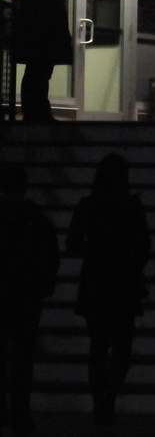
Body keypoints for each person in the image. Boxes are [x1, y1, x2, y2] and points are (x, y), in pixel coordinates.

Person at [66, 153, 151, 426]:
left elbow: (72, 244)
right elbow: (144, 247)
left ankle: (98, 399)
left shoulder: (88, 205)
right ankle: (110, 397)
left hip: (96, 283)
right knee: (121, 347)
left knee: (98, 346)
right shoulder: (131, 207)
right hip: (124, 283)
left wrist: (95, 250)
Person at [0, 163, 60, 437]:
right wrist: (43, 286)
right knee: (23, 357)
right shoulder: (36, 219)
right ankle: (20, 413)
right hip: (26, 295)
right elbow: (51, 256)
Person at [14, 0, 73, 124]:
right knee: (39, 73)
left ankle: (35, 112)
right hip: (44, 34)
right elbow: (49, 6)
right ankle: (38, 113)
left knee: (36, 73)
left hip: (38, 34)